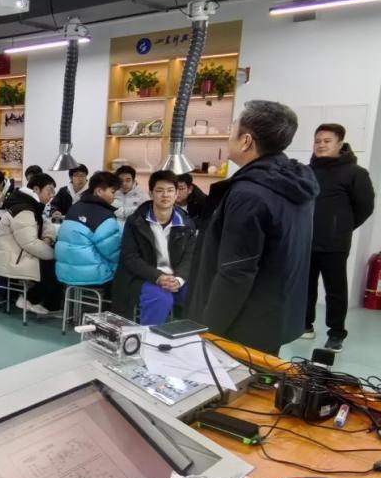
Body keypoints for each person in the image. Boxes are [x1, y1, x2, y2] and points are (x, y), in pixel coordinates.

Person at [186, 101, 318, 355]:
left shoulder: (249, 195)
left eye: (232, 128)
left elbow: (236, 271)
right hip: (273, 315)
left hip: (241, 325)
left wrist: (209, 329)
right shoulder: (294, 183)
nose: (229, 134)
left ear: (246, 140)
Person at [303, 123, 375, 351]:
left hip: (335, 243)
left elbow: (365, 207)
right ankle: (305, 325)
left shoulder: (355, 173)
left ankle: (336, 333)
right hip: (306, 240)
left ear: (340, 144)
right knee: (306, 287)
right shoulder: (307, 171)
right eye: (317, 141)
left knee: (335, 290)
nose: (321, 145)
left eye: (327, 141)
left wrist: (342, 227)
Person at [111, 171, 197, 325]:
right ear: (151, 193)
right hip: (143, 277)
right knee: (160, 298)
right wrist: (158, 276)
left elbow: (190, 256)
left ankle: (189, 337)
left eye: (170, 190)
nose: (165, 195)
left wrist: (178, 279)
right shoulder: (135, 221)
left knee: (198, 294)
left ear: (177, 194)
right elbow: (129, 256)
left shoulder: (187, 224)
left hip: (175, 277)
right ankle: (148, 337)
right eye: (159, 190)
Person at [0, 172, 61, 315]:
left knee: (53, 265)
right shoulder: (24, 210)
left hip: (19, 254)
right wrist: (54, 254)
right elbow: (30, 243)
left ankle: (48, 304)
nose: (51, 195)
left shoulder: (30, 205)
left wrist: (48, 238)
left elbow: (46, 224)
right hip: (13, 259)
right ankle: (30, 299)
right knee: (56, 266)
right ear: (36, 189)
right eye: (49, 190)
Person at [55, 171, 122, 291]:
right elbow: (113, 253)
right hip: (93, 277)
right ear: (99, 191)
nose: (114, 196)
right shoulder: (103, 215)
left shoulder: (75, 207)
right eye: (112, 192)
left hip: (64, 273)